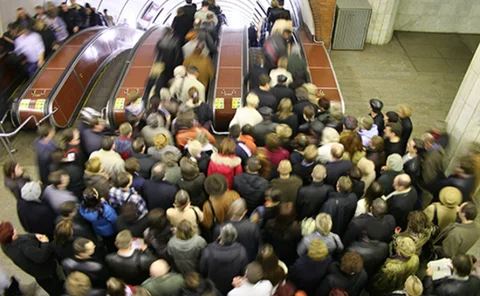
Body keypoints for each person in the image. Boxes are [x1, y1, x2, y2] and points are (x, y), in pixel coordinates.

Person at [0, 222, 63, 295]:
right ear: (12, 236)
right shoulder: (25, 247)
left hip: (36, 273)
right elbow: (41, 256)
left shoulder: (5, 246)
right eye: (12, 230)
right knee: (56, 285)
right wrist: (45, 243)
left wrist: (35, 236)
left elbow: (24, 237)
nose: (14, 229)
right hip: (46, 270)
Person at [200, 224, 248, 295]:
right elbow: (243, 271)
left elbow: (202, 270)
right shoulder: (241, 251)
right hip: (232, 287)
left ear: (220, 236)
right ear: (235, 237)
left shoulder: (207, 251)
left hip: (214, 288)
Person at [420, 132, 447, 206]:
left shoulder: (430, 160)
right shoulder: (438, 148)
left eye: (423, 143)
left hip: (432, 180)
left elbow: (428, 175)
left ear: (428, 143)